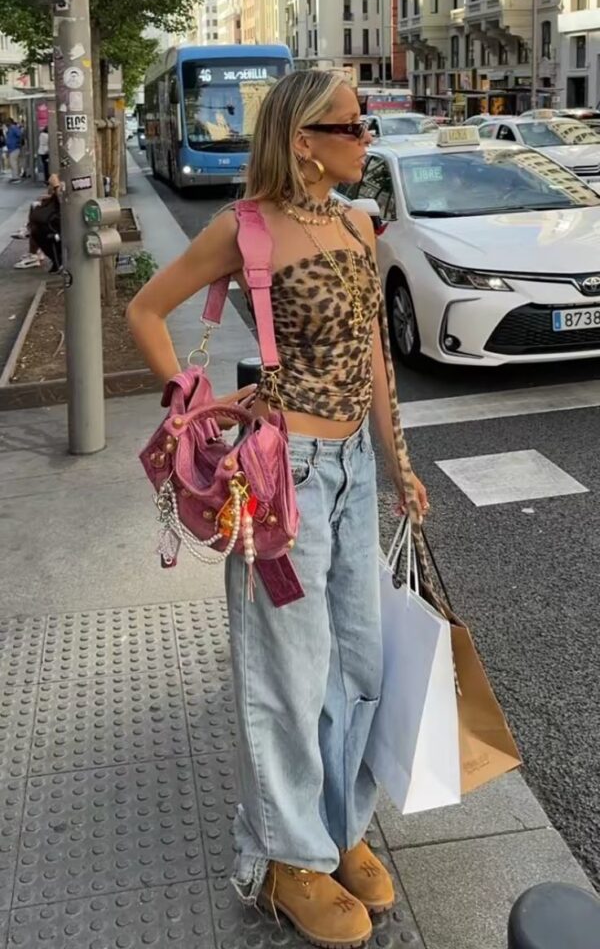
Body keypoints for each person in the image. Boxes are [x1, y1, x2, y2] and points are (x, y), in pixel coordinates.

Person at [127, 70, 428, 949]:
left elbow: (373, 349)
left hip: (350, 472)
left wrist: (397, 460)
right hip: (278, 475)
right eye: (354, 124)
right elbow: (148, 309)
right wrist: (188, 402)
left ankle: (340, 828)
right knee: (286, 675)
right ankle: (285, 858)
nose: (367, 137)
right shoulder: (246, 229)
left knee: (359, 664)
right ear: (304, 138)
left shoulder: (357, 221)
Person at [13, 173, 62, 272]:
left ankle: (57, 260)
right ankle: (34, 252)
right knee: (36, 209)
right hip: (58, 213)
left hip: (61, 220)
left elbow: (66, 202)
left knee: (40, 225)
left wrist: (56, 186)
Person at [6, 118, 23, 183]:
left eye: (7, 122)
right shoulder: (11, 129)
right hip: (12, 148)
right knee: (13, 163)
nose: (6, 123)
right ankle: (14, 176)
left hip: (14, 148)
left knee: (13, 163)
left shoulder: (13, 128)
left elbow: (19, 135)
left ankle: (16, 177)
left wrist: (18, 143)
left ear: (10, 122)